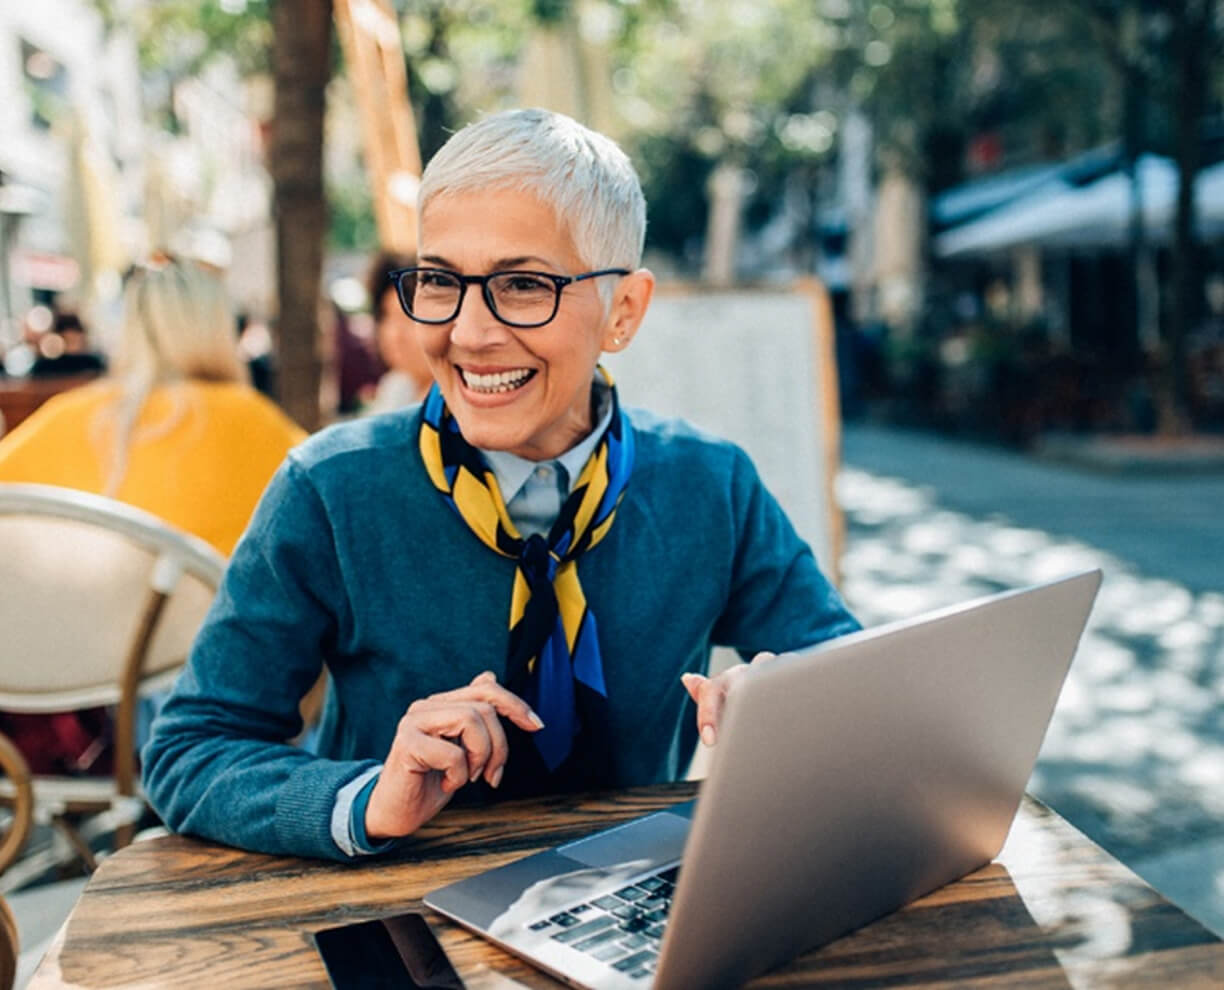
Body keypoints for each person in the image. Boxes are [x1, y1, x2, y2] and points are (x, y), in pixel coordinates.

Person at [142, 108, 859, 862]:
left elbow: (861, 683)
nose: (469, 332)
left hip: (634, 909)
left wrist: (791, 708)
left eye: (521, 285)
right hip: (391, 917)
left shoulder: (711, 487)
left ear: (624, 311)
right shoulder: (330, 491)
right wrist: (361, 797)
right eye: (441, 280)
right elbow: (191, 750)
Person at [0, 256, 306, 557]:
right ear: (221, 329)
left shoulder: (71, 415)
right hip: (220, 602)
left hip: (95, 603)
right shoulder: (252, 418)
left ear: (132, 327)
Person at [363, 250, 433, 413]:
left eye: (407, 318)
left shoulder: (456, 404)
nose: (394, 335)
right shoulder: (396, 387)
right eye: (386, 317)